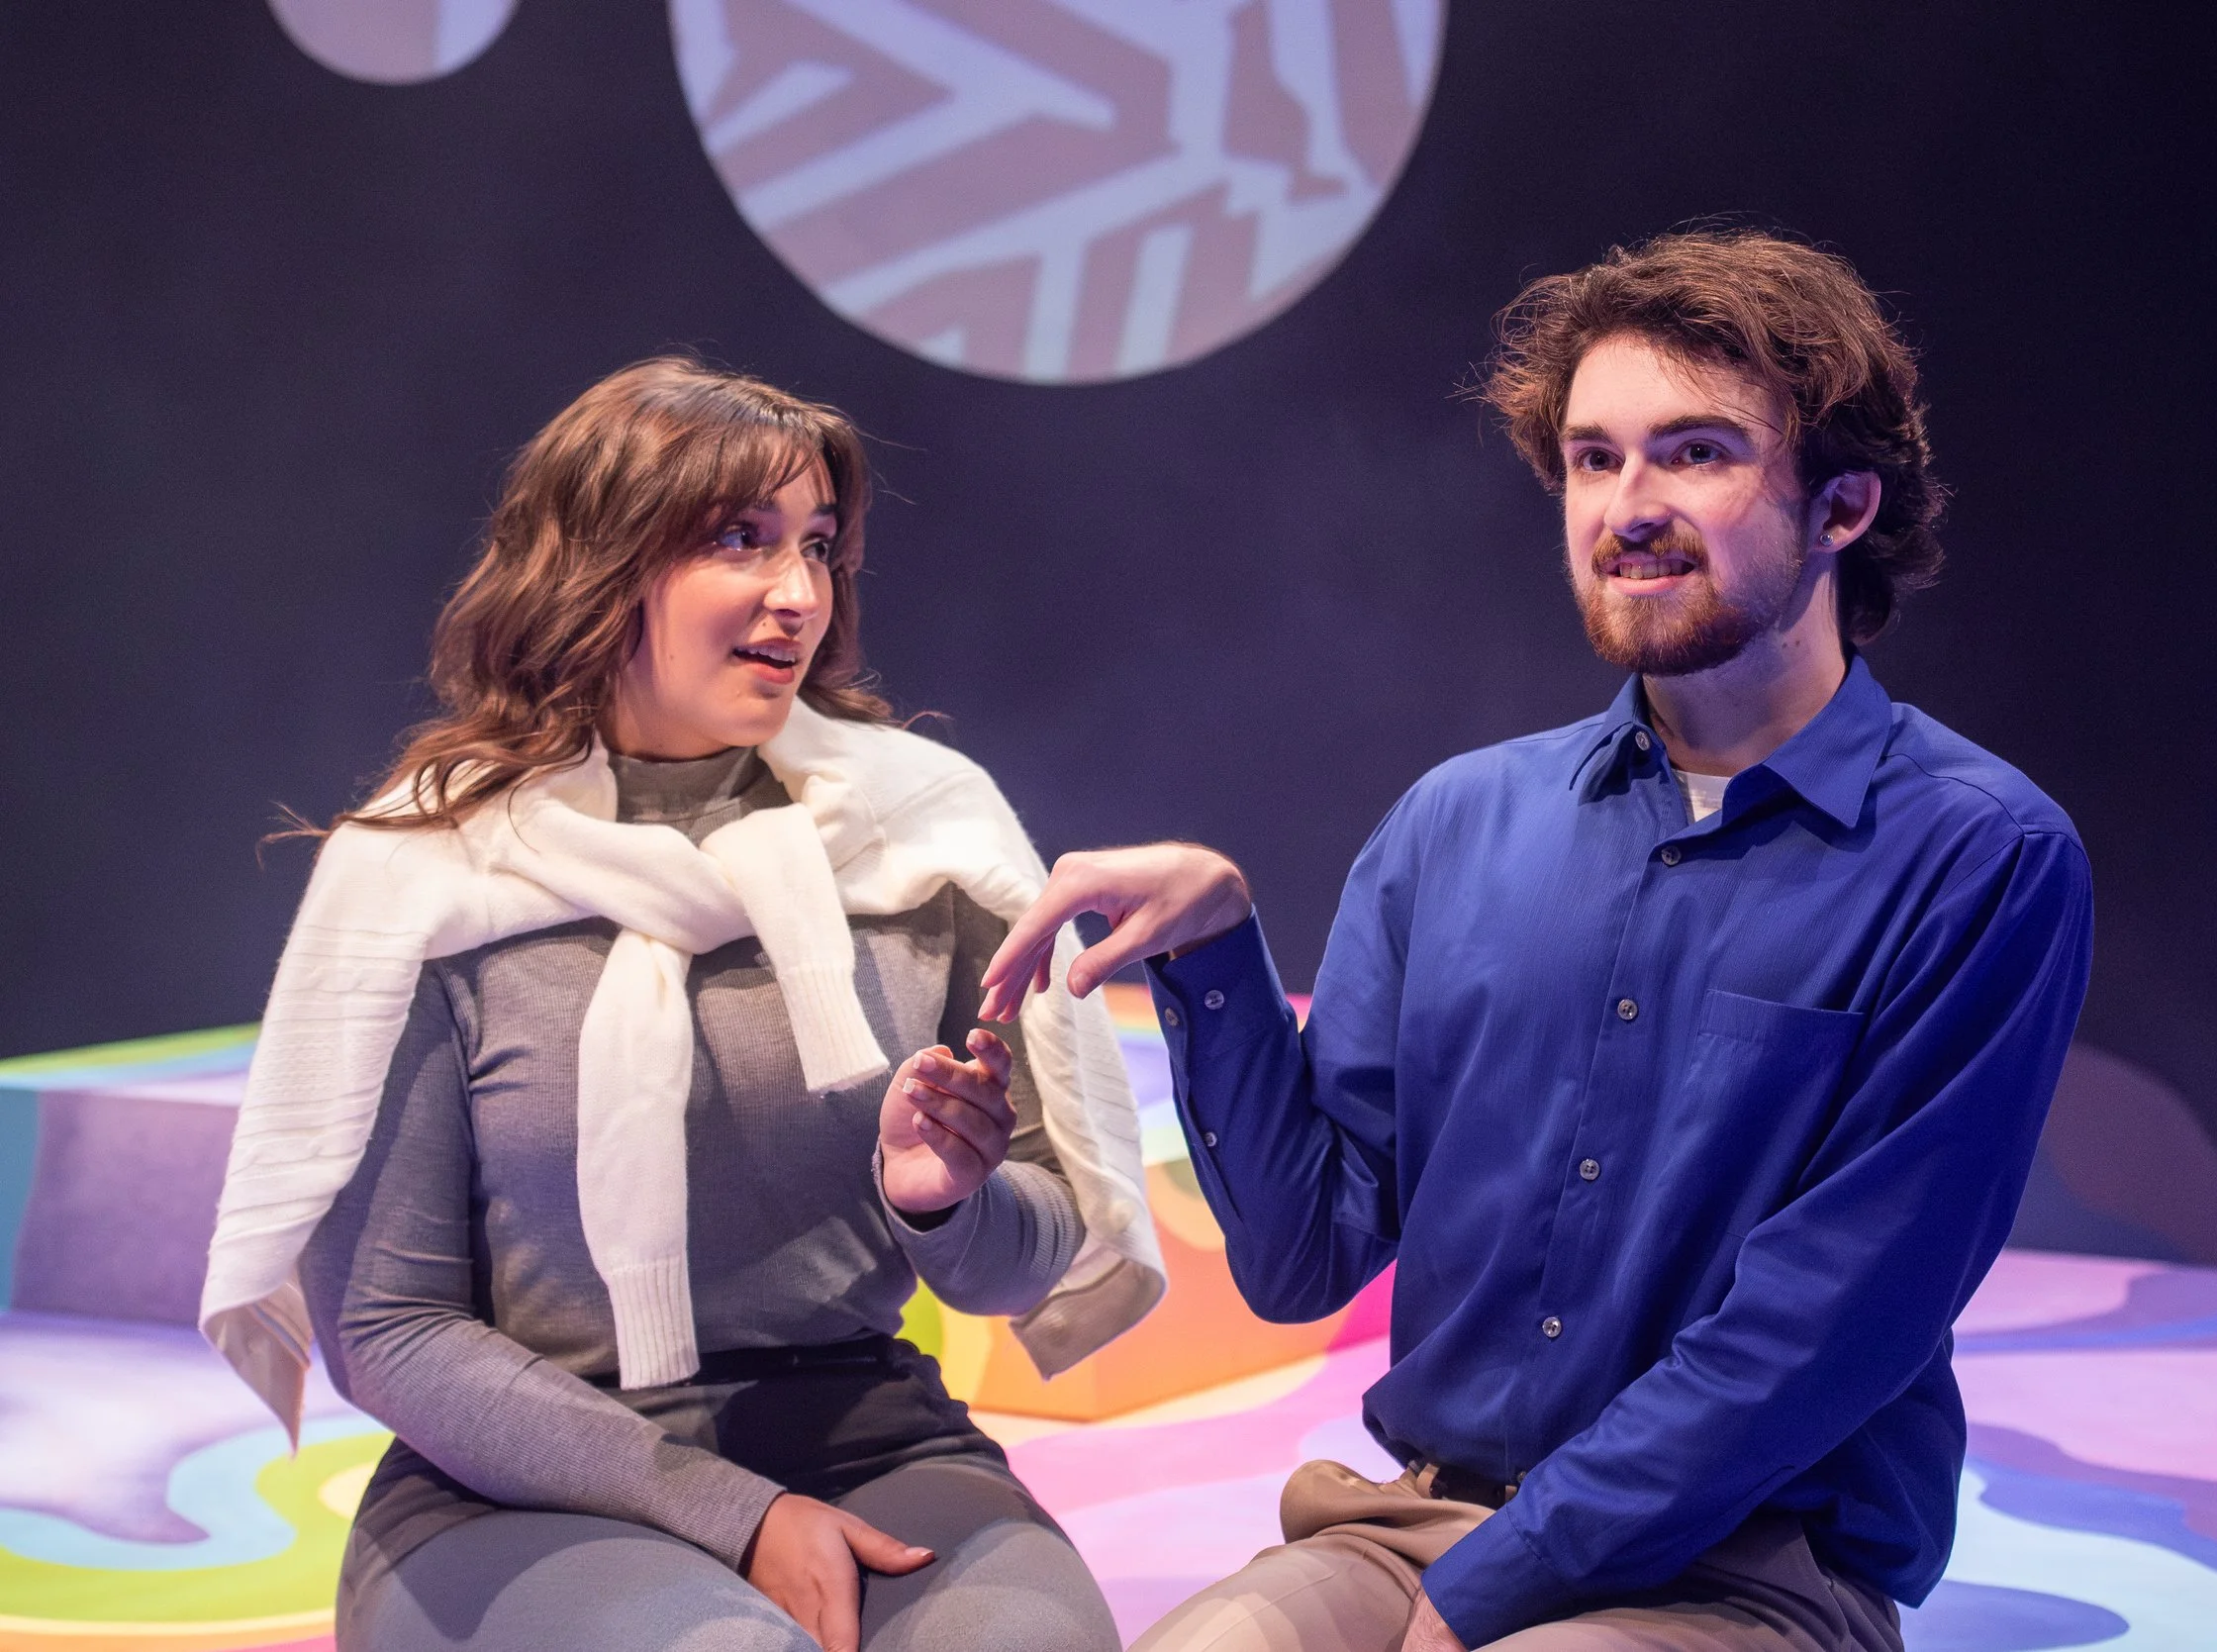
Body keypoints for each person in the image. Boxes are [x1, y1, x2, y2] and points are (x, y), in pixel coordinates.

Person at [978, 230, 2095, 1651]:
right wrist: (1214, 959)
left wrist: (1489, 1597)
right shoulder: (1460, 821)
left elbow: (1824, 1330)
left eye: (1696, 453)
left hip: (1743, 1564)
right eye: (1592, 458)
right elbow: (1304, 1257)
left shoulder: (1980, 857)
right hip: (1416, 1527)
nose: (1628, 505)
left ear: (1843, 506)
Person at [200, 358, 1160, 1652]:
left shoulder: (924, 833)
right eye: (738, 541)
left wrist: (947, 1202)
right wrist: (736, 1515)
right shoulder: (427, 875)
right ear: (598, 568)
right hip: (512, 1488)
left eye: (818, 545)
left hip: (869, 1434)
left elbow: (1031, 1249)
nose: (797, 594)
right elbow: (389, 1331)